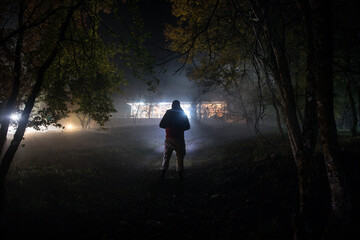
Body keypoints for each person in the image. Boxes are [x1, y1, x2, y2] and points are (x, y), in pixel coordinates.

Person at [159, 100, 190, 181]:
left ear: (172, 105)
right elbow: (188, 126)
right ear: (179, 105)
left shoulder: (168, 113)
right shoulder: (182, 113)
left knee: (166, 157)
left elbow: (161, 125)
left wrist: (169, 127)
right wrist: (179, 128)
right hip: (179, 138)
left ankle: (162, 175)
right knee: (180, 158)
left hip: (169, 138)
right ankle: (180, 176)